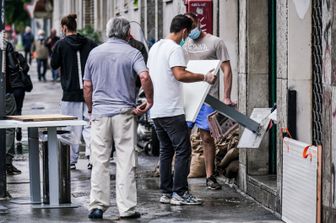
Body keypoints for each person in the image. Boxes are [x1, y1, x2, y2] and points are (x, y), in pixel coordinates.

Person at [84, 17, 153, 219]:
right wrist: (149, 100)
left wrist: (90, 109)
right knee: (125, 161)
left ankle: (97, 205)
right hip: (124, 114)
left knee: (100, 161)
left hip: (100, 114)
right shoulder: (133, 52)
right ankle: (127, 208)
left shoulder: (94, 53)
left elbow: (87, 87)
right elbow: (145, 77)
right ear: (127, 33)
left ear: (108, 32)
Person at [147, 14, 216, 205]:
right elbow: (179, 74)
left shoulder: (155, 47)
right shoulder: (175, 48)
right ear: (185, 31)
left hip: (158, 110)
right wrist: (204, 77)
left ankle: (166, 193)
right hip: (171, 109)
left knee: (166, 151)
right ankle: (180, 192)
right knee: (183, 150)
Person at [183, 12, 234, 190]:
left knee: (206, 137)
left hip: (208, 97)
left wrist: (226, 96)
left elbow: (227, 70)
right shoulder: (185, 44)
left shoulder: (215, 42)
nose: (190, 29)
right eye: (187, 26)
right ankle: (180, 177)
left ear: (199, 22)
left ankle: (210, 176)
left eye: (192, 24)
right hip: (189, 96)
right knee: (183, 137)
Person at [51, 14, 97, 170]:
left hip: (70, 92)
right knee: (90, 126)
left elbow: (54, 64)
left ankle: (71, 160)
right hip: (88, 91)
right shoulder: (90, 43)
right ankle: (93, 158)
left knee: (71, 128)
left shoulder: (60, 44)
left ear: (64, 28)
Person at [5, 31, 30, 154]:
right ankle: (18, 130)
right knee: (18, 110)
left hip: (10, 88)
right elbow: (26, 68)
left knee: (9, 114)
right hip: (19, 88)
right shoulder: (19, 57)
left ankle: (13, 131)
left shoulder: (5, 58)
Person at [5, 40, 22, 175]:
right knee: (9, 125)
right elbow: (12, 67)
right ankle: (7, 161)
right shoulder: (5, 44)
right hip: (5, 90)